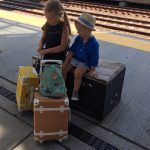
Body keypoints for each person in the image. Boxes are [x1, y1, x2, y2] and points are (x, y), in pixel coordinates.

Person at [63, 12, 99, 101]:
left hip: (85, 62)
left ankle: (75, 92)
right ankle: (62, 87)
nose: (78, 32)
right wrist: (66, 61)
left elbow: (95, 58)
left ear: (88, 30)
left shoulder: (94, 44)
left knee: (77, 73)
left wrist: (93, 69)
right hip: (76, 59)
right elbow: (72, 50)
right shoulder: (79, 38)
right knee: (64, 69)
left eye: (79, 30)